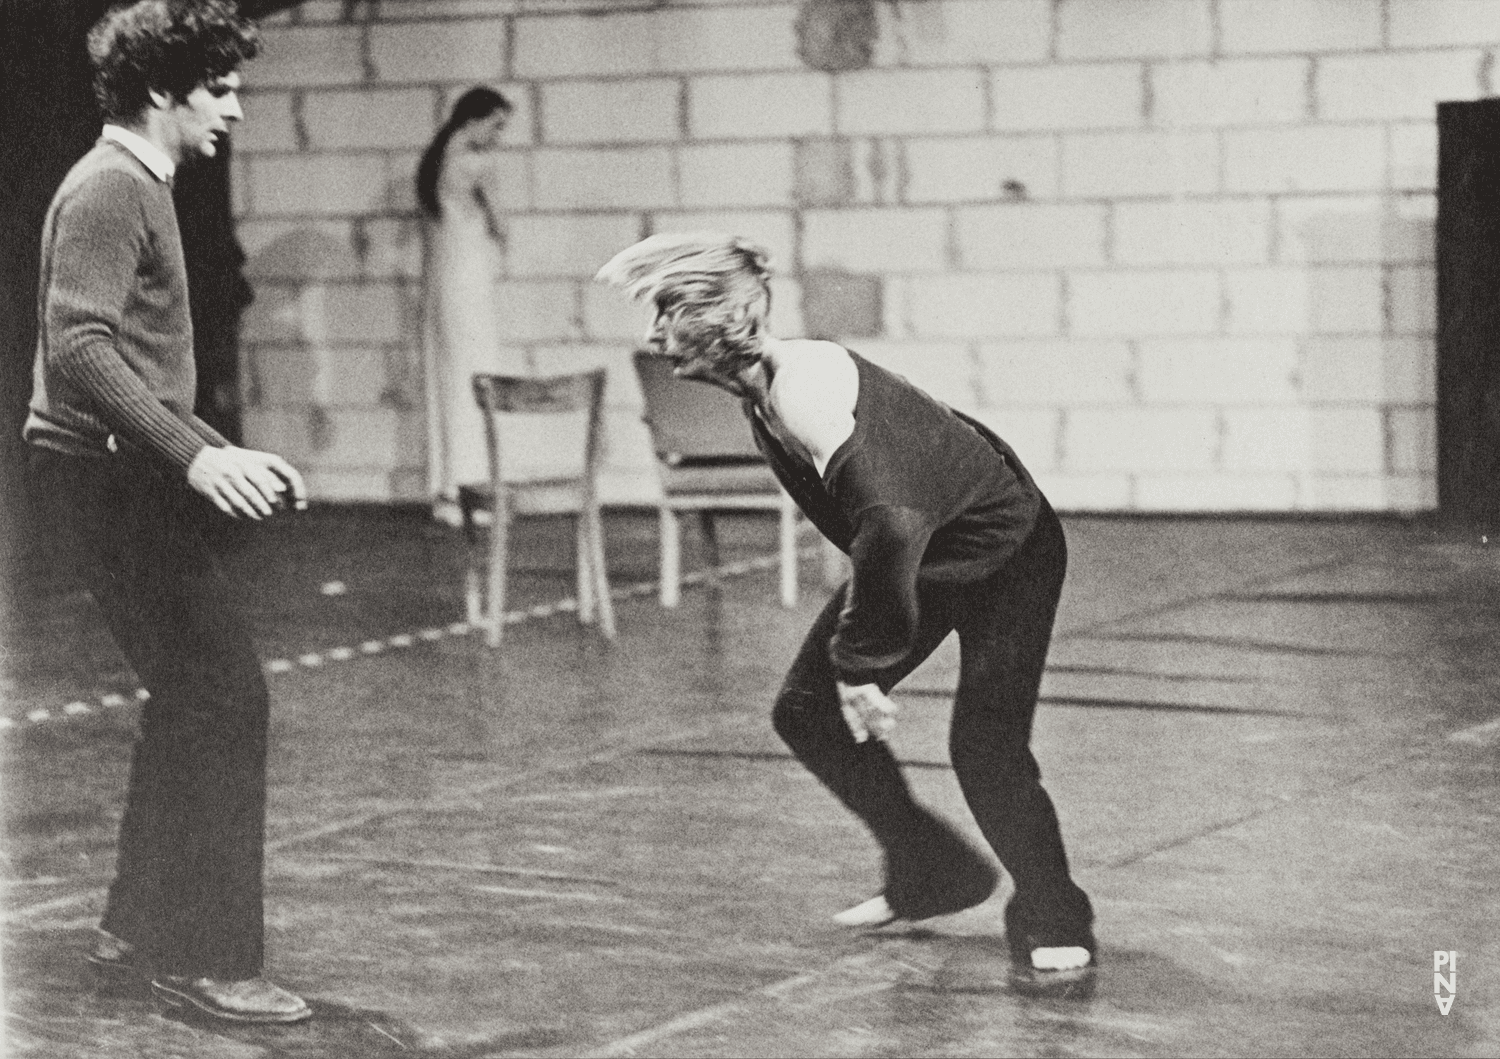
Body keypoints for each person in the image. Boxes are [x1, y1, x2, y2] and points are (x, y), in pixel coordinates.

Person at [596, 232, 1098, 997]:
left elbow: (892, 522)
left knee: (985, 746)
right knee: (805, 710)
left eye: (668, 312)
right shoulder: (762, 387)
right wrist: (852, 666)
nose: (654, 336)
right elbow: (893, 523)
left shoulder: (803, 386)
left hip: (1008, 552)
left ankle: (1057, 916)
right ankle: (931, 869)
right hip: (927, 549)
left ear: (719, 319)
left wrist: (863, 670)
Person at [23, 0, 311, 1024]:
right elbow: (79, 349)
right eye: (220, 90)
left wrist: (226, 452)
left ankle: (138, 924)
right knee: (229, 697)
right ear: (163, 92)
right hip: (107, 481)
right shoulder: (110, 188)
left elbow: (130, 365)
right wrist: (192, 459)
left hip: (120, 472)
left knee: (195, 697)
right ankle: (210, 959)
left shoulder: (135, 185)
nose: (233, 109)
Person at [416, 87, 516, 524]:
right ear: (474, 119)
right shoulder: (476, 165)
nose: (499, 136)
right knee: (476, 377)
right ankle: (471, 489)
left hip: (444, 282)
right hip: (468, 282)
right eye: (496, 125)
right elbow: (501, 223)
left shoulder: (436, 160)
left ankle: (448, 488)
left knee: (451, 378)